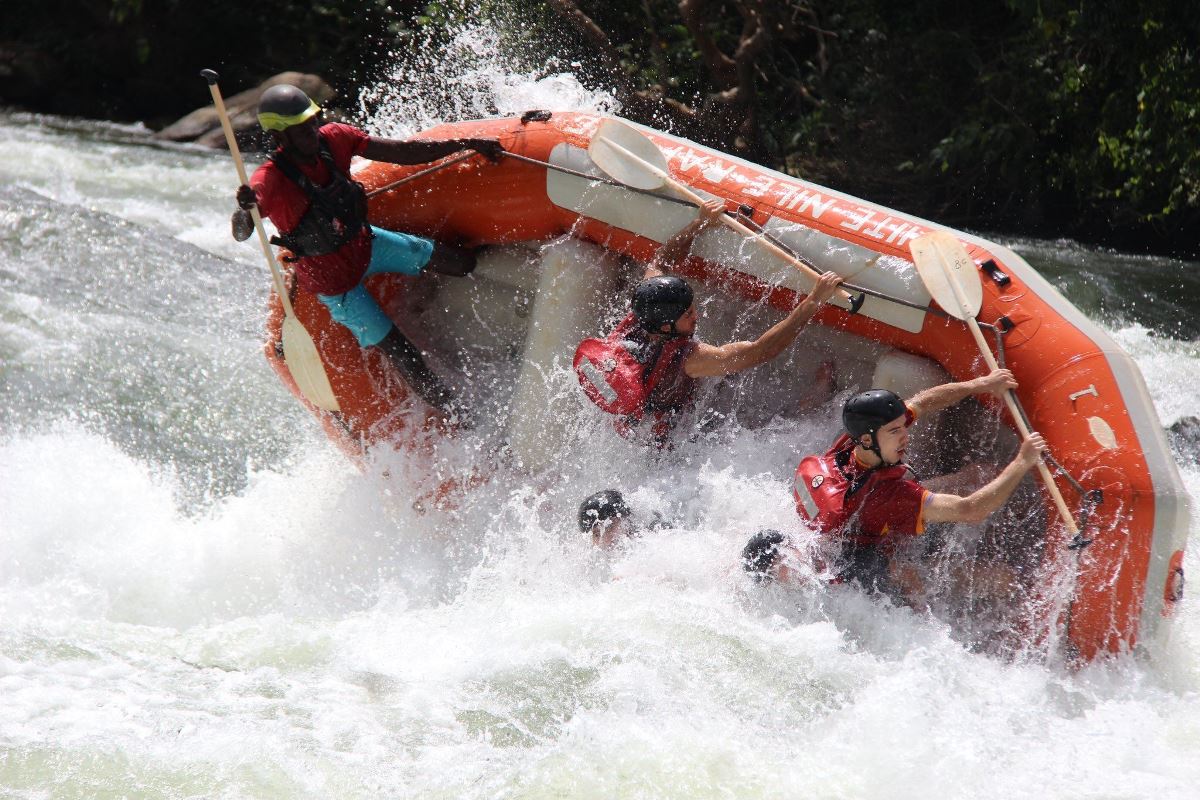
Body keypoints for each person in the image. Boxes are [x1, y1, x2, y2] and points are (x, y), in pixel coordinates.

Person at [230, 83, 503, 417]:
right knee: (404, 354)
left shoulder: (335, 138)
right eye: (301, 131)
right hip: (336, 286)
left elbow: (403, 153)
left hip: (367, 244)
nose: (312, 134)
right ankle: (462, 416)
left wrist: (467, 144)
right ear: (280, 139)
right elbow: (241, 232)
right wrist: (244, 210)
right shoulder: (268, 180)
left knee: (460, 263)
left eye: (313, 122)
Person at [574, 199, 843, 445]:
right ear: (667, 328)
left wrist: (699, 222)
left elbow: (661, 261)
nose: (696, 316)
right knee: (761, 430)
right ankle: (813, 403)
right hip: (672, 443)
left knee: (726, 380)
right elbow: (761, 351)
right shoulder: (690, 358)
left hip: (636, 420)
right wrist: (813, 301)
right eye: (688, 315)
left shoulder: (645, 308)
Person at [792, 370, 1048, 601]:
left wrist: (980, 384)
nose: (906, 435)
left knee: (976, 475)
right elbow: (970, 510)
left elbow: (923, 402)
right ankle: (919, 608)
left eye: (903, 426)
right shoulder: (889, 496)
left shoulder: (852, 444)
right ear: (868, 440)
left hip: (858, 536)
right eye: (895, 432)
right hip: (872, 562)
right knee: (1004, 579)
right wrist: (1022, 462)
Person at [577, 489, 668, 549]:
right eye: (596, 534)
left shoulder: (657, 539)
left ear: (627, 521)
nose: (604, 540)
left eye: (609, 528)